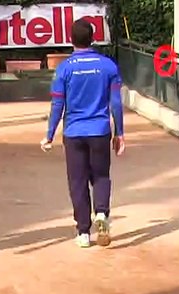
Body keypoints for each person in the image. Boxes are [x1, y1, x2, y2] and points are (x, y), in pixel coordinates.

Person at [41, 19, 124, 249]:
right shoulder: (108, 66)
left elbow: (57, 105)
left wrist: (49, 134)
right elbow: (116, 103)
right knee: (101, 176)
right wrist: (120, 133)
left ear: (71, 40)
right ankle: (102, 214)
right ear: (92, 39)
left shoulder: (64, 69)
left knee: (77, 182)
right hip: (100, 131)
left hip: (74, 132)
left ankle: (83, 232)